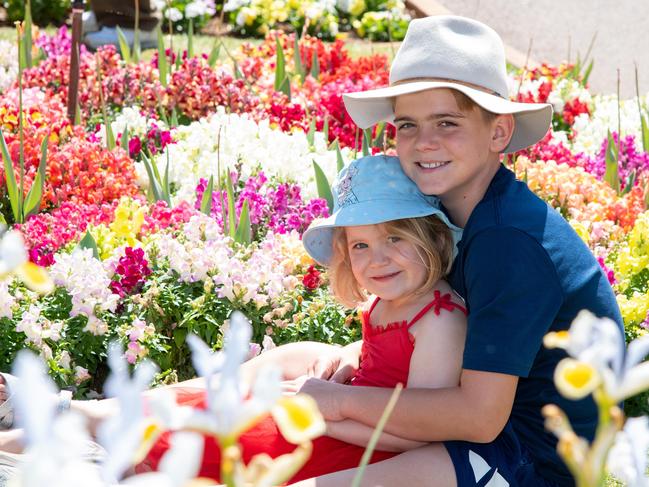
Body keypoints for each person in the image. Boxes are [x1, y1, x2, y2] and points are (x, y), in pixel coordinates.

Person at [137, 154, 467, 482]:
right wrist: (343, 370)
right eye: (361, 245)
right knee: (226, 418)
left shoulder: (439, 319)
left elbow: (418, 432)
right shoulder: (393, 296)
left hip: (366, 446)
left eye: (395, 238)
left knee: (233, 447)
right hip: (346, 417)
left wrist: (320, 417)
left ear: (434, 237)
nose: (377, 260)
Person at [82, 0, 161, 51]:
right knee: (78, 24)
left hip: (132, 23)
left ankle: (146, 36)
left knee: (90, 39)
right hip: (105, 16)